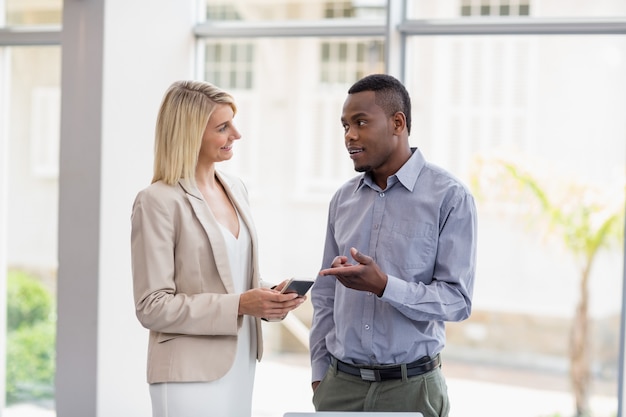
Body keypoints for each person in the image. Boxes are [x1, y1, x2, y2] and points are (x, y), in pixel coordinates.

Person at [131, 80, 305, 417]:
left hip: (241, 363)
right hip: (187, 374)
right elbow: (151, 306)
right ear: (191, 133)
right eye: (223, 127)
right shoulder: (157, 201)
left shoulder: (236, 188)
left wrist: (270, 296)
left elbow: (231, 275)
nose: (236, 134)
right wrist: (240, 304)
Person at [309, 74, 477, 417]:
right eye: (345, 125)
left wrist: (385, 286)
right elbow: (325, 295)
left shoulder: (449, 197)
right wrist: (319, 375)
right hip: (340, 387)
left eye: (360, 123)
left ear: (397, 123)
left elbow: (457, 301)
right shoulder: (343, 199)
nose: (349, 135)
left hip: (412, 392)